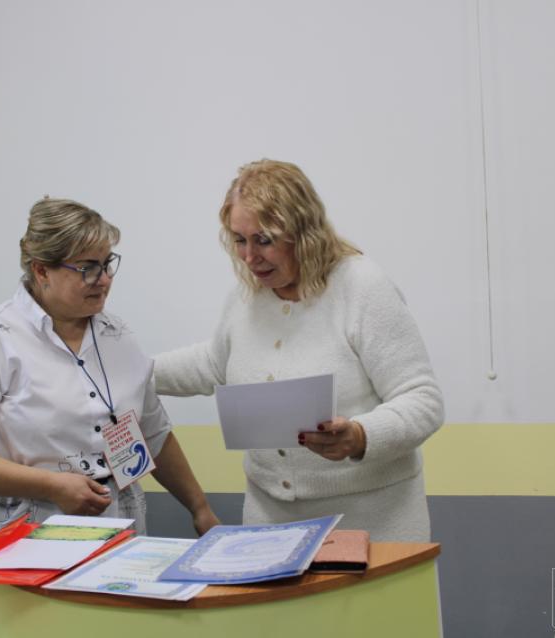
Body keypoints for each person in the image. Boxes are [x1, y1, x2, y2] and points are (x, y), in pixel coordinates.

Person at [154, 160, 444, 542]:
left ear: (303, 232)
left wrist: (360, 435)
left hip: (372, 526)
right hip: (271, 526)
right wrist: (130, 372)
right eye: (239, 240)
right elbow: (213, 363)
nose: (249, 257)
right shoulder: (248, 297)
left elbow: (423, 400)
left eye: (264, 240)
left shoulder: (361, 287)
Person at [0, 197, 219, 535]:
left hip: (120, 517)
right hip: (30, 524)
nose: (104, 280)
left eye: (107, 264)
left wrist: (200, 508)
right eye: (87, 268)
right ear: (41, 270)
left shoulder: (117, 335)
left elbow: (153, 434)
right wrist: (51, 485)